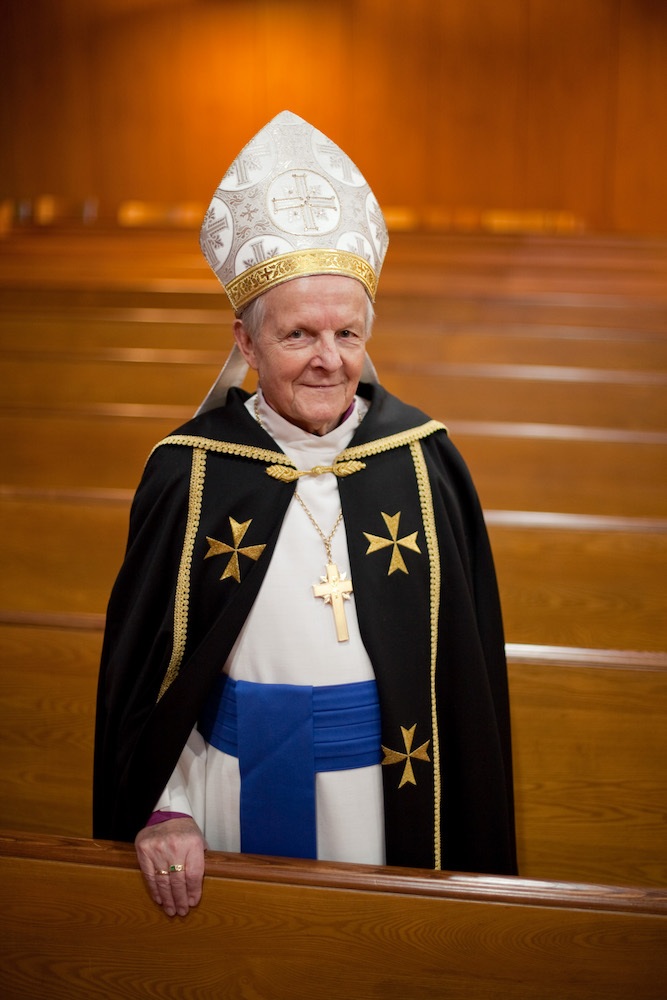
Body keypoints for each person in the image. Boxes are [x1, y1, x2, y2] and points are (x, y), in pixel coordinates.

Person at [93, 111, 517, 918]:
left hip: (389, 799)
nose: (329, 359)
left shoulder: (422, 464)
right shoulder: (191, 473)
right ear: (245, 344)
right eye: (297, 335)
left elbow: (466, 684)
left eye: (346, 333)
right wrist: (165, 810)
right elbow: (150, 677)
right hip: (230, 792)